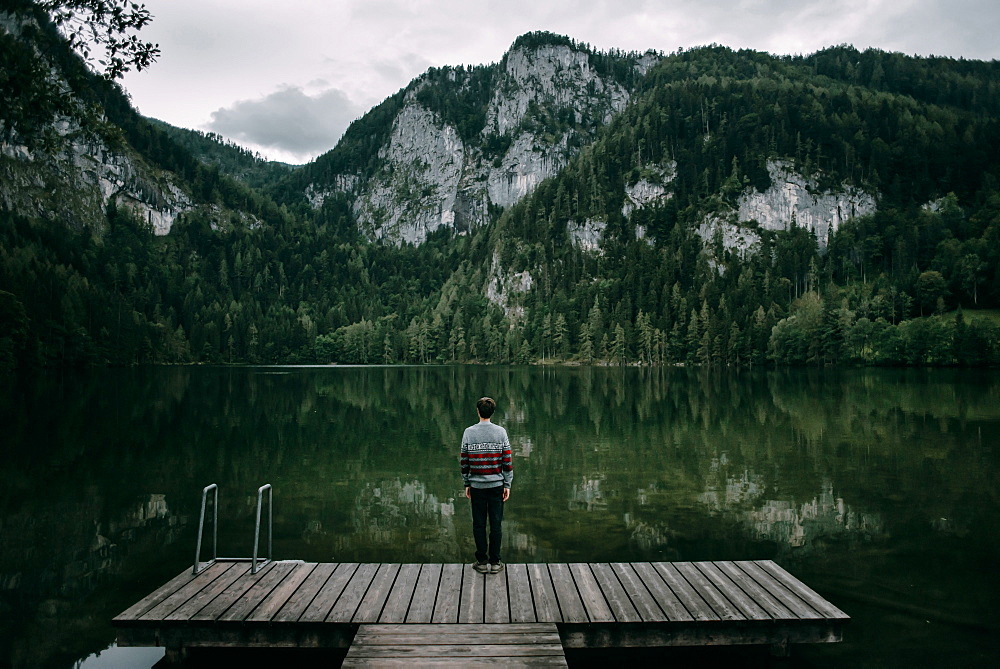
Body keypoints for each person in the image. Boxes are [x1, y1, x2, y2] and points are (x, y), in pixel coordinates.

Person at [461, 397, 512, 574]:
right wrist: (507, 484)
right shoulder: (501, 432)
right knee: (496, 523)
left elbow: (464, 461)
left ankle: (482, 561)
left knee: (479, 524)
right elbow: (507, 461)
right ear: (492, 412)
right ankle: (496, 562)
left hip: (477, 486)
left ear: (478, 411)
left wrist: (467, 482)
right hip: (497, 485)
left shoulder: (469, 432)